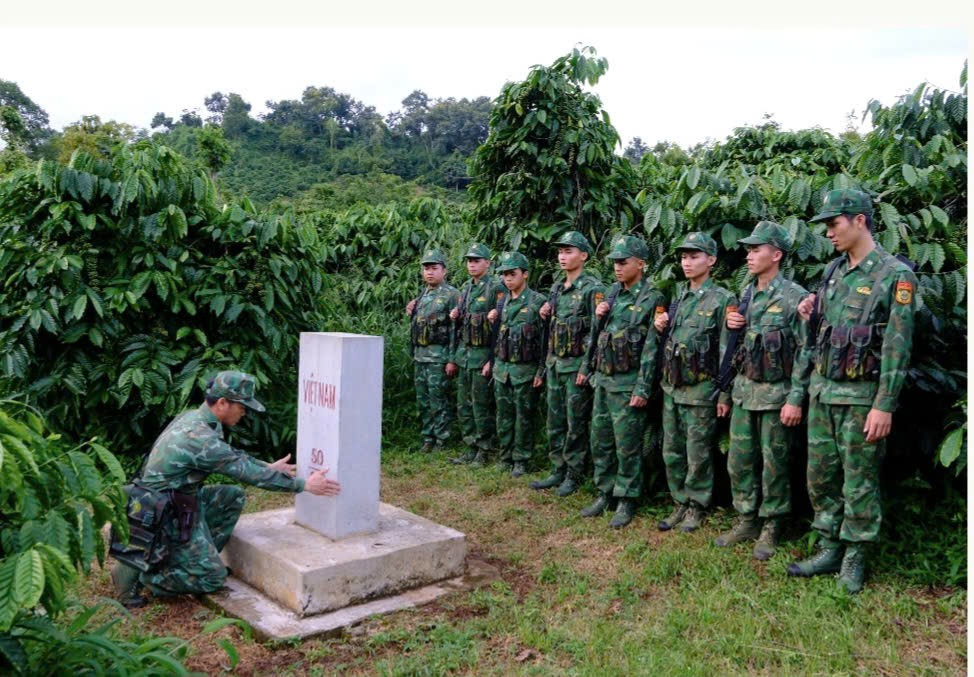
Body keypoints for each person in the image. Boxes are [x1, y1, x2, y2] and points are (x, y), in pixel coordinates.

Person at [111, 371, 341, 607]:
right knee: (213, 579)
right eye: (241, 406)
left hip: (178, 501)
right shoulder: (200, 438)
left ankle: (191, 557)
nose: (244, 412)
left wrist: (266, 466)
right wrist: (304, 485)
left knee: (231, 497)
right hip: (164, 513)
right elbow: (242, 470)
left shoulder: (196, 419)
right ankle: (153, 576)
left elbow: (232, 458)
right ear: (222, 403)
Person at [788, 189, 917, 593]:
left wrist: (885, 404)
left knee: (858, 480)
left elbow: (898, 346)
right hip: (824, 393)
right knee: (821, 478)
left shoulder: (895, 276)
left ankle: (856, 555)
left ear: (860, 220)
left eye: (834, 224)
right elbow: (821, 336)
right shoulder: (833, 272)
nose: (828, 233)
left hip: (862, 399)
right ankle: (829, 547)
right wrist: (808, 314)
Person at [714, 221, 810, 560]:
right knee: (740, 462)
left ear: (777, 254)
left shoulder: (794, 298)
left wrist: (796, 398)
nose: (749, 256)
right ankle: (747, 518)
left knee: (775, 464)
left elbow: (805, 352)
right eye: (748, 250)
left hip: (775, 397)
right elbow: (731, 350)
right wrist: (725, 393)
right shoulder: (745, 295)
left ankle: (772, 525)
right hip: (743, 393)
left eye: (756, 250)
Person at [581, 235, 665, 529]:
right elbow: (597, 339)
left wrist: (643, 388)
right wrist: (597, 317)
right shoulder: (610, 294)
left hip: (628, 384)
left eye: (623, 262)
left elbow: (651, 348)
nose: (617, 267)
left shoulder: (652, 297)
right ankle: (605, 492)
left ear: (640, 264)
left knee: (627, 445)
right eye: (615, 262)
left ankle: (627, 498)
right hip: (604, 381)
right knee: (600, 441)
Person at [655, 232, 735, 533]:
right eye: (684, 257)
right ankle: (679, 501)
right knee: (672, 450)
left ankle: (697, 505)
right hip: (673, 387)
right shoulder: (679, 296)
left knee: (698, 453)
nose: (687, 262)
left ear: (711, 260)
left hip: (701, 391)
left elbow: (728, 351)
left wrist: (723, 395)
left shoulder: (723, 299)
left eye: (694, 256)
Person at [530, 231, 606, 497]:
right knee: (556, 420)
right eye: (561, 252)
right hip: (555, 364)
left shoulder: (592, 289)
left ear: (583, 256)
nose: (563, 257)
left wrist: (587, 368)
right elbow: (550, 330)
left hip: (575, 366)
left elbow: (597, 334)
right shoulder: (556, 288)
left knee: (576, 422)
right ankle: (557, 469)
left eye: (569, 251)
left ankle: (575, 473)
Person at [484, 251, 546, 477]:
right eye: (504, 275)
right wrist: (491, 362)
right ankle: (505, 455)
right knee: (504, 416)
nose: (508, 279)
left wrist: (541, 370)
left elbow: (544, 340)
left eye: (512, 274)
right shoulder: (502, 302)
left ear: (525, 274)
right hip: (503, 370)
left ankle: (521, 459)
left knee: (524, 417)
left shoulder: (538, 302)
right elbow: (496, 338)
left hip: (525, 371)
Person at [449, 243, 507, 467]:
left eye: (476, 260)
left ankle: (484, 450)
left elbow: (500, 324)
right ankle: (470, 446)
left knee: (481, 404)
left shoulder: (495, 287)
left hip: (482, 354)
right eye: (469, 261)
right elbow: (461, 326)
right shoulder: (466, 288)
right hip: (465, 354)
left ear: (488, 263)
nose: (472, 264)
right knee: (464, 404)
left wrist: (492, 359)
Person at [405, 248, 461, 451]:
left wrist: (452, 359)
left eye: (434, 268)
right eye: (426, 268)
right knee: (424, 400)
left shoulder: (452, 294)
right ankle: (428, 437)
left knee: (439, 399)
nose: (429, 272)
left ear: (444, 271)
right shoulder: (422, 295)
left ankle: (442, 439)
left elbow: (457, 329)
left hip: (439, 357)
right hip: (420, 356)